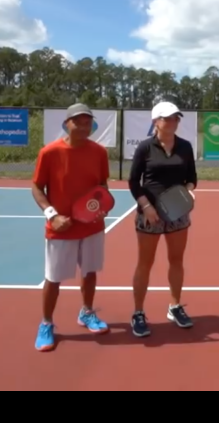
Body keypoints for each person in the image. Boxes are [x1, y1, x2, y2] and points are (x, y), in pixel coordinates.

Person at [31, 103, 112, 352]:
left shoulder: (99, 152)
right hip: (60, 228)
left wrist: (102, 206)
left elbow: (102, 187)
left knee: (89, 272)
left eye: (88, 122)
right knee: (53, 279)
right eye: (78, 121)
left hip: (92, 227)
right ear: (67, 123)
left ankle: (86, 312)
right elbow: (37, 188)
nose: (84, 126)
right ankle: (46, 323)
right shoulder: (50, 152)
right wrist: (52, 215)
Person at [127, 101, 199, 338]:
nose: (173, 122)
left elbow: (192, 178)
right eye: (167, 118)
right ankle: (138, 312)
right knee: (144, 263)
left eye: (176, 118)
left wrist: (188, 192)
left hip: (178, 214)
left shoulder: (186, 147)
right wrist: (146, 207)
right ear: (155, 121)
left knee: (176, 260)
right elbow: (133, 182)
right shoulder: (145, 148)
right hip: (150, 214)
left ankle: (175, 306)